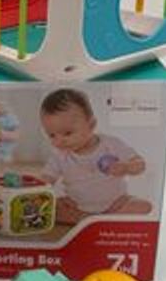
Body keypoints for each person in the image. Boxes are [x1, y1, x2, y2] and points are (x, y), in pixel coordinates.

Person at [39, 89, 152, 225]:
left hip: (115, 203)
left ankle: (92, 220)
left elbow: (140, 163)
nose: (59, 141)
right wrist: (40, 190)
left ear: (91, 125)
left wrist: (126, 167)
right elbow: (47, 178)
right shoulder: (59, 155)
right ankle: (92, 219)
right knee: (52, 209)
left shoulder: (111, 144)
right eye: (52, 135)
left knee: (144, 206)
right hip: (77, 207)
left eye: (67, 133)